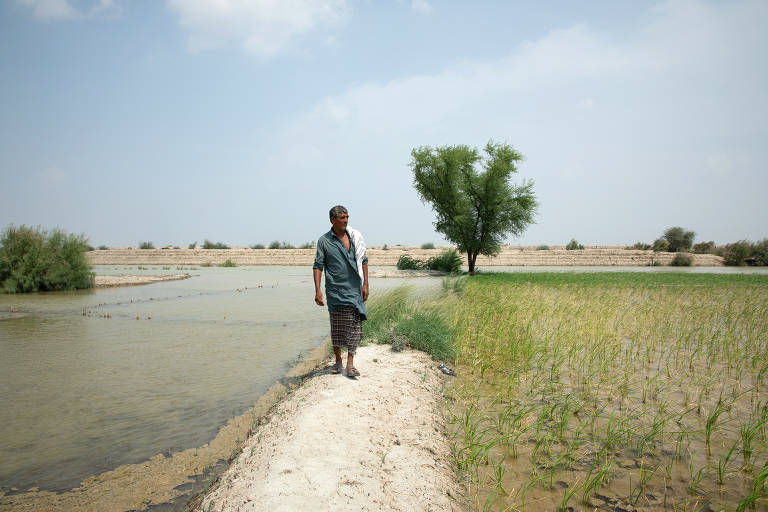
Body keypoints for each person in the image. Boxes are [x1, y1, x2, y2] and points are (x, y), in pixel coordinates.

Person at [313, 205, 369, 377]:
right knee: (336, 327)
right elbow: (318, 266)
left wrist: (366, 284)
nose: (345, 220)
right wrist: (317, 290)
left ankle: (350, 364)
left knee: (355, 326)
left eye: (347, 217)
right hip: (335, 291)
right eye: (342, 217)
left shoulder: (353, 237)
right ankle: (338, 361)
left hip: (354, 290)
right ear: (332, 219)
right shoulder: (324, 241)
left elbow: (364, 259)